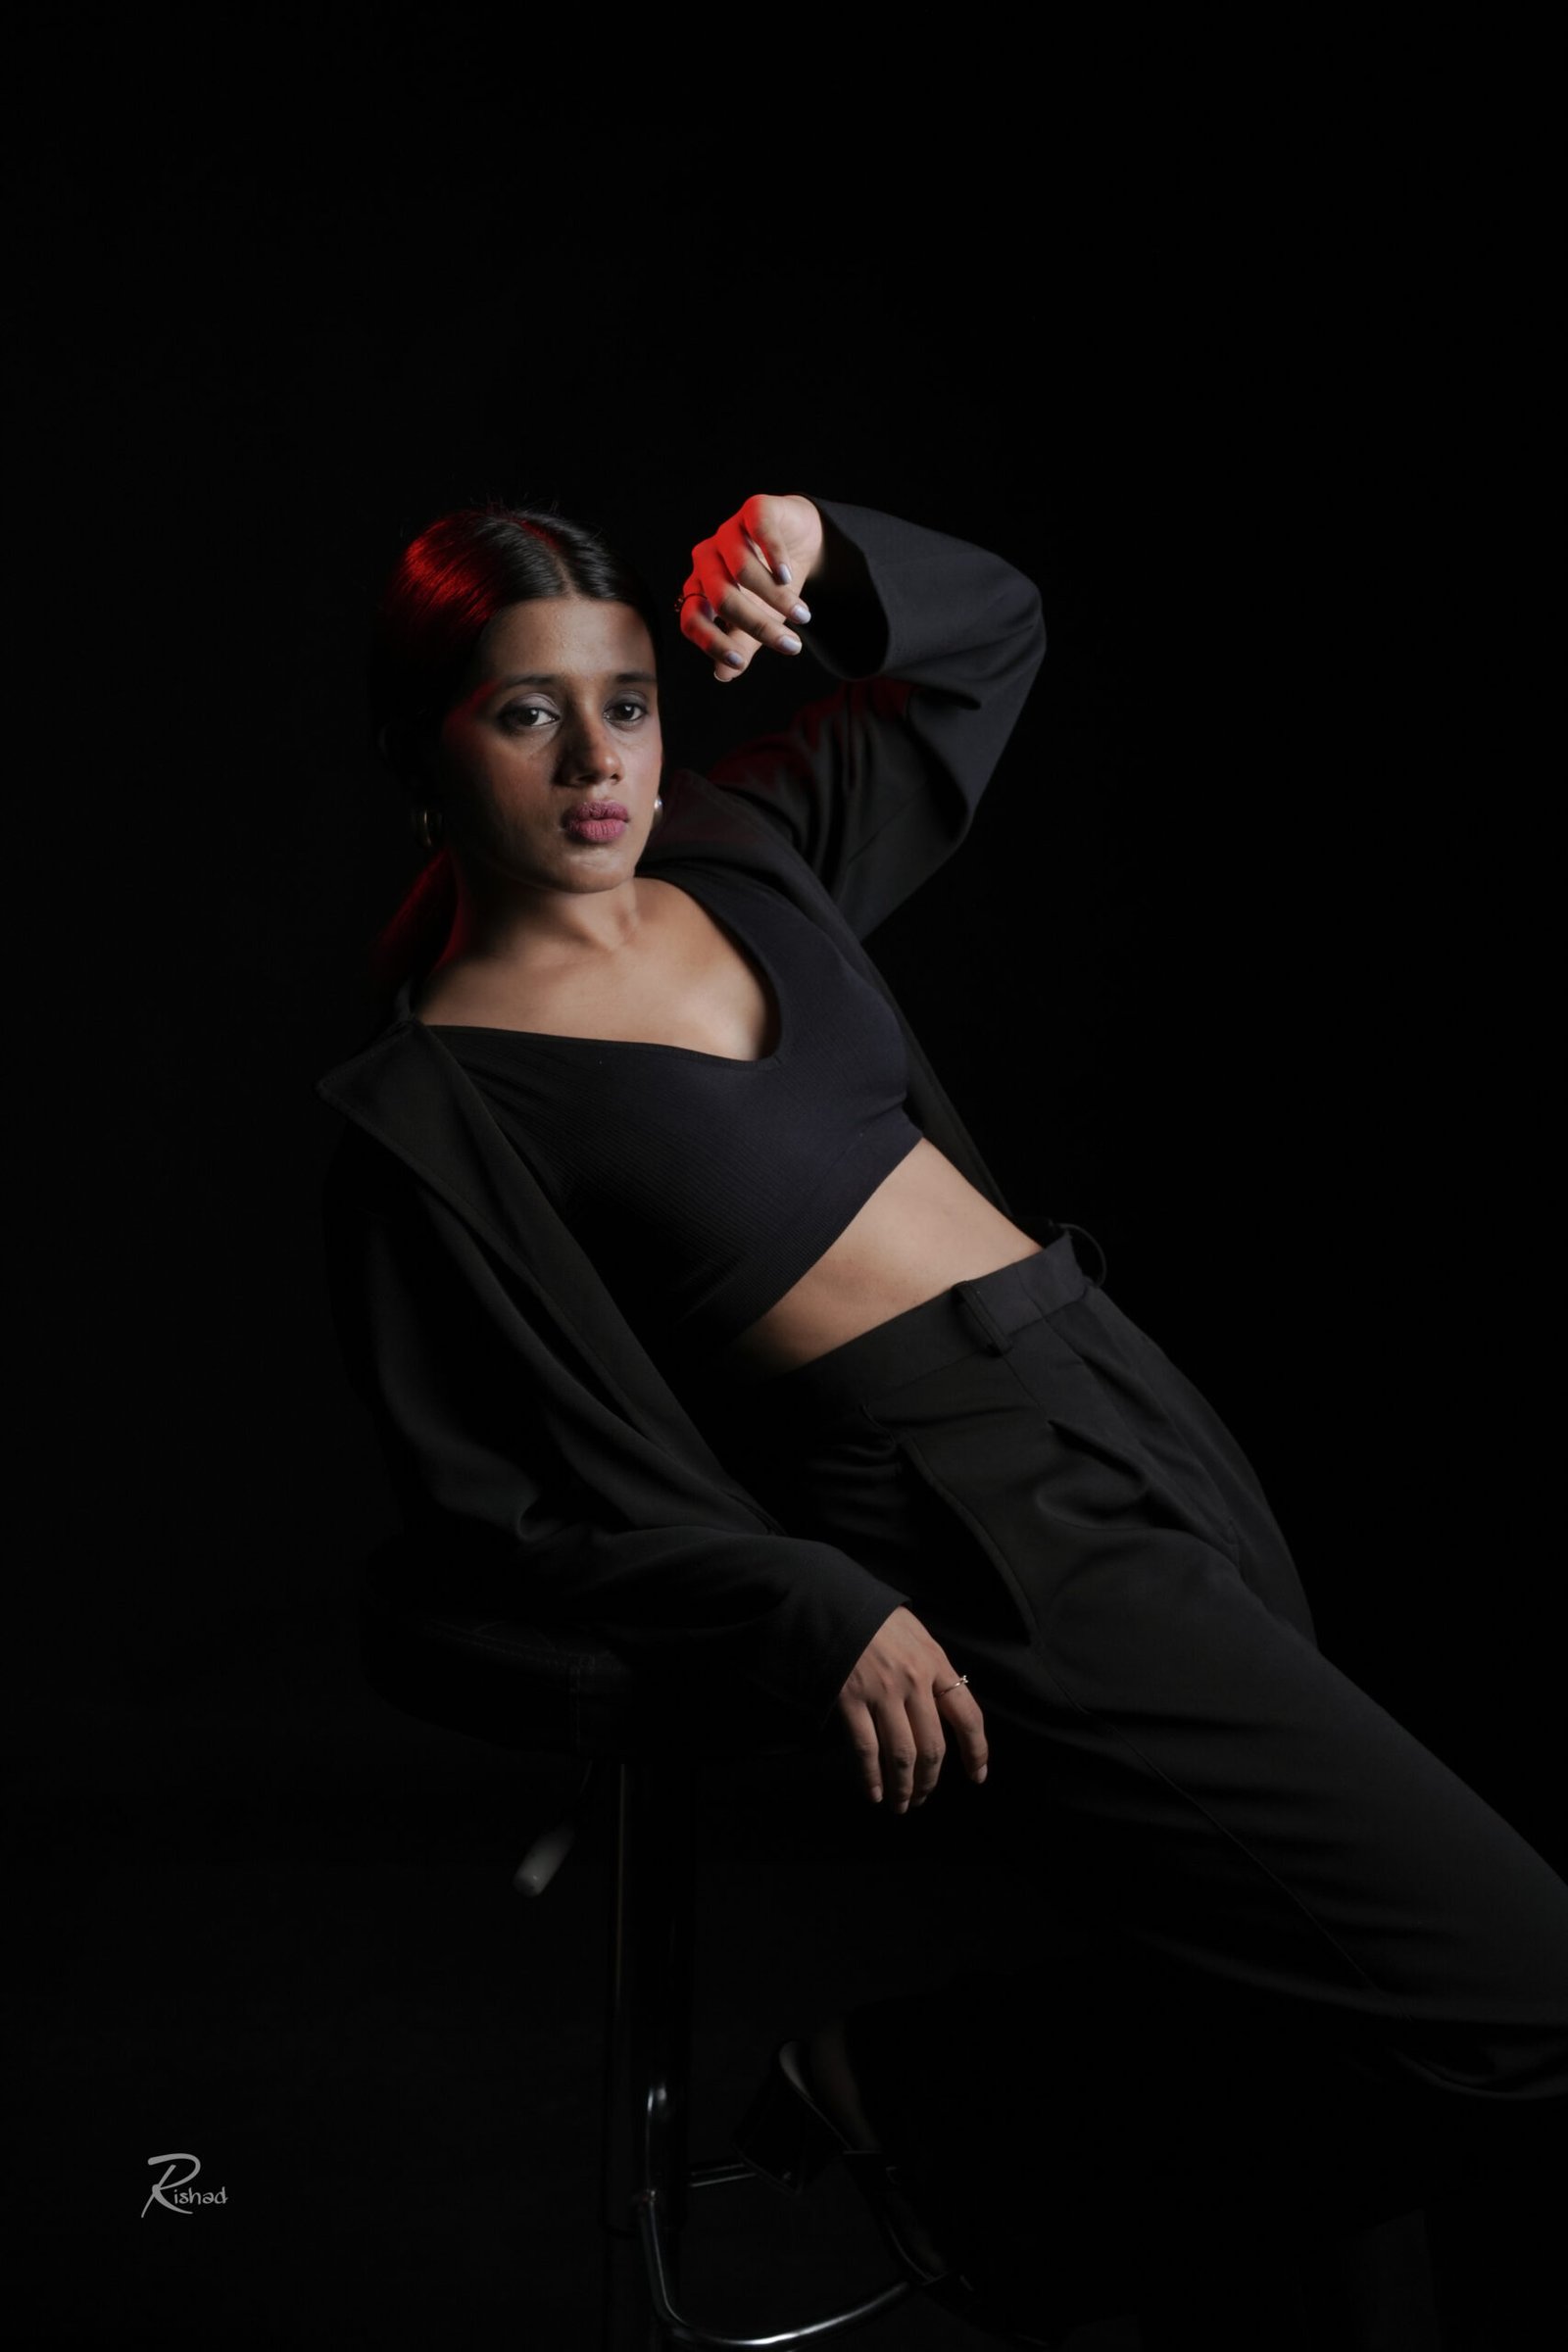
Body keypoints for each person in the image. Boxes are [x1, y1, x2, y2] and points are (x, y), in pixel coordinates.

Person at [318, 489, 1568, 2346]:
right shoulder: (434, 1106)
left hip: (1122, 1398)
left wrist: (813, 540)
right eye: (526, 713)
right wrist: (805, 1596)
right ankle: (948, 2103)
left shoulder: (739, 845)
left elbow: (988, 642)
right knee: (1523, 1995)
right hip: (972, 1521)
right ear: (424, 747)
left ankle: (958, 2126)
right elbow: (500, 1506)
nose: (599, 760)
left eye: (629, 702)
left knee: (1336, 1994)